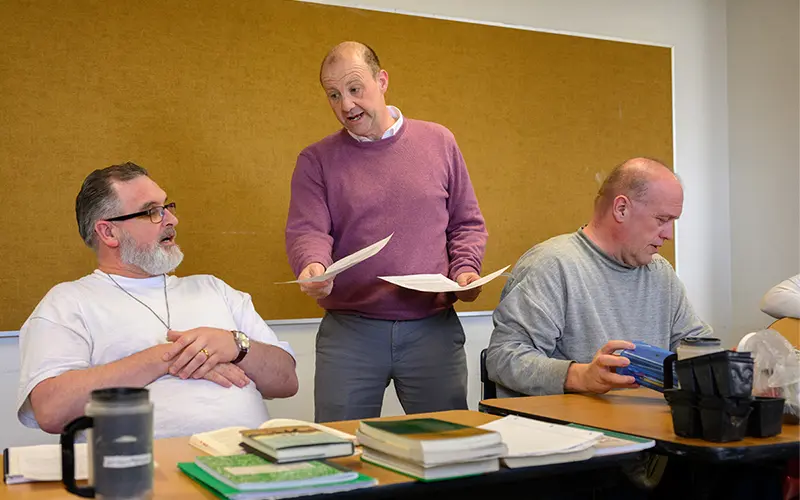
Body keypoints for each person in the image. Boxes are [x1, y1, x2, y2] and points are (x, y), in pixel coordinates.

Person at [17, 162, 298, 438]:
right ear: (108, 232)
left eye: (167, 207)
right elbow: (51, 410)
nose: (172, 220)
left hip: (250, 461)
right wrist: (164, 358)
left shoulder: (213, 288)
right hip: (142, 471)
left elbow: (286, 381)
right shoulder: (68, 301)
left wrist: (236, 346)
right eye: (151, 212)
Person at [285, 41, 488, 422]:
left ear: (382, 80)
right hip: (351, 331)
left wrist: (465, 270)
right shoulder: (316, 160)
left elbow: (466, 223)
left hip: (432, 330)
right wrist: (312, 264)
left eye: (355, 88)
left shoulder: (439, 141)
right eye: (333, 95)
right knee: (339, 451)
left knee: (448, 447)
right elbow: (307, 230)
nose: (346, 105)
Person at [486, 157, 711, 397]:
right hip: (569, 429)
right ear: (621, 209)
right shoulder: (552, 265)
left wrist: (729, 364)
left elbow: (695, 346)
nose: (669, 235)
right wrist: (581, 376)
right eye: (662, 220)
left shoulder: (660, 273)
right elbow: (503, 357)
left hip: (640, 425)